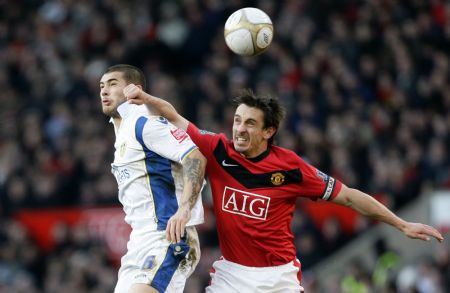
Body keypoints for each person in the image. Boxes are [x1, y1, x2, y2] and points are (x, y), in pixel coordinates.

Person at [124, 84, 444, 293]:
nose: (239, 128)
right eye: (237, 120)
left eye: (250, 123)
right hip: (232, 275)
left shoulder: (290, 167)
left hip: (278, 278)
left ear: (269, 131)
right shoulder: (218, 149)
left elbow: (348, 196)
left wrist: (402, 223)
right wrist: (146, 98)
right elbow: (175, 117)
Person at [99, 64, 207, 293]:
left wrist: (184, 209)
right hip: (138, 242)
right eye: (101, 86)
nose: (104, 91)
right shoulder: (122, 135)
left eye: (112, 84)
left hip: (166, 236)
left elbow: (195, 158)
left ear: (134, 89)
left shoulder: (144, 123)